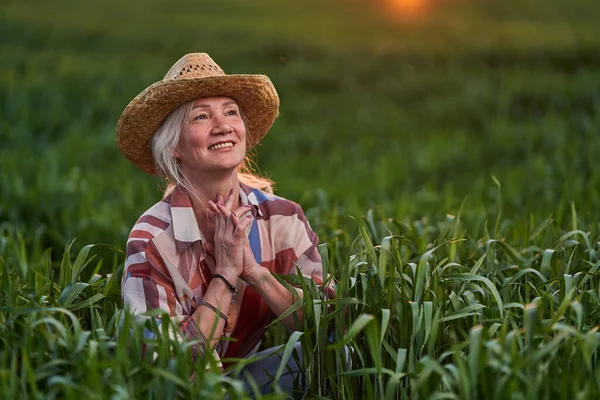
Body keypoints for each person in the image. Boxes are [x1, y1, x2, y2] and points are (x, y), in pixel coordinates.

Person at [116, 52, 333, 395]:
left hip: (252, 378)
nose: (223, 125)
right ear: (174, 146)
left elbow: (330, 326)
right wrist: (225, 275)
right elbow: (164, 367)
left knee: (337, 356)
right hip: (189, 390)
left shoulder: (283, 218)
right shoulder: (152, 240)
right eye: (201, 116)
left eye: (231, 112)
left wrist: (256, 273)